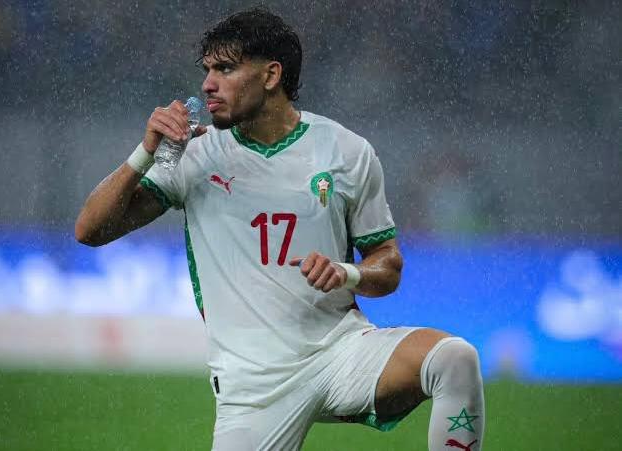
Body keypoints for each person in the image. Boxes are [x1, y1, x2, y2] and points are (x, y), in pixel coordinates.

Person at [75, 8, 485, 451]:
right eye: (207, 70)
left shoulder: (346, 151)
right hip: (253, 388)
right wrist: (145, 153)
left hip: (340, 353)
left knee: (454, 359)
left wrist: (347, 272)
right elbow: (90, 230)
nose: (208, 84)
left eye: (225, 69)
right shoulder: (193, 155)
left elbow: (388, 267)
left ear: (271, 75)